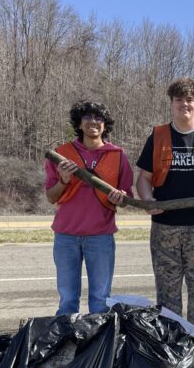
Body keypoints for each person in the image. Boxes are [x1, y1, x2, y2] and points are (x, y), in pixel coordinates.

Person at [135, 78, 194, 325]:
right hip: (165, 226)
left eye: (189, 100)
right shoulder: (157, 136)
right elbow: (143, 178)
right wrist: (147, 199)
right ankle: (172, 344)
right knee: (167, 291)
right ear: (171, 104)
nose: (184, 104)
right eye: (178, 100)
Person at [44, 100, 133, 315]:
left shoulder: (118, 156)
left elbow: (127, 197)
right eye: (87, 117)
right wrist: (64, 180)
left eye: (98, 118)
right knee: (67, 301)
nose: (93, 122)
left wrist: (119, 198)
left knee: (101, 302)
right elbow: (50, 197)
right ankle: (67, 344)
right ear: (79, 123)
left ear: (105, 125)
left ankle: (98, 346)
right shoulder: (61, 154)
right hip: (65, 236)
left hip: (101, 237)